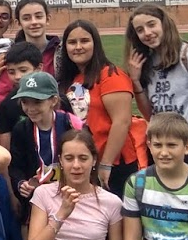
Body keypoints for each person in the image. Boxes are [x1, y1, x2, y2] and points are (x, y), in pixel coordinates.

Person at [124, 5, 188, 176]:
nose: (147, 33)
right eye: (140, 30)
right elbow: (150, 115)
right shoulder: (146, 62)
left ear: (164, 24)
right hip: (158, 145)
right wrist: (136, 81)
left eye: (151, 24)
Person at [55, 19, 138, 195]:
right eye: (72, 42)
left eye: (84, 41)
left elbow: (122, 122)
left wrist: (106, 163)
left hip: (114, 164)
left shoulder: (111, 75)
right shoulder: (69, 79)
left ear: (95, 44)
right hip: (81, 163)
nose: (78, 47)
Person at [6, 71, 77, 212]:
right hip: (36, 200)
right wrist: (21, 184)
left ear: (53, 101)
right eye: (25, 102)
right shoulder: (21, 129)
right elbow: (15, 166)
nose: (31, 108)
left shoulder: (70, 124)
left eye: (37, 102)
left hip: (70, 194)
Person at [12, 0, 60, 73]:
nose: (34, 22)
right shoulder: (11, 54)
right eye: (26, 18)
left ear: (47, 19)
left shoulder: (62, 51)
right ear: (18, 23)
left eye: (38, 17)